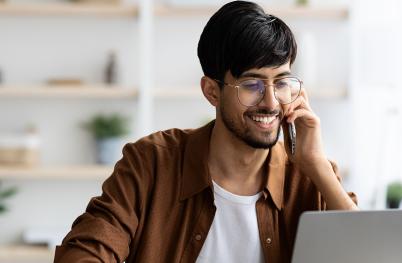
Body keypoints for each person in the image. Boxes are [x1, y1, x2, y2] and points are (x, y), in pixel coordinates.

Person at [54, 1, 358, 262]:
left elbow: (367, 253)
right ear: (212, 91)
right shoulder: (151, 162)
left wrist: (317, 167)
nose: (270, 102)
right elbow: (86, 250)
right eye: (251, 84)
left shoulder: (311, 174)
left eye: (281, 82)